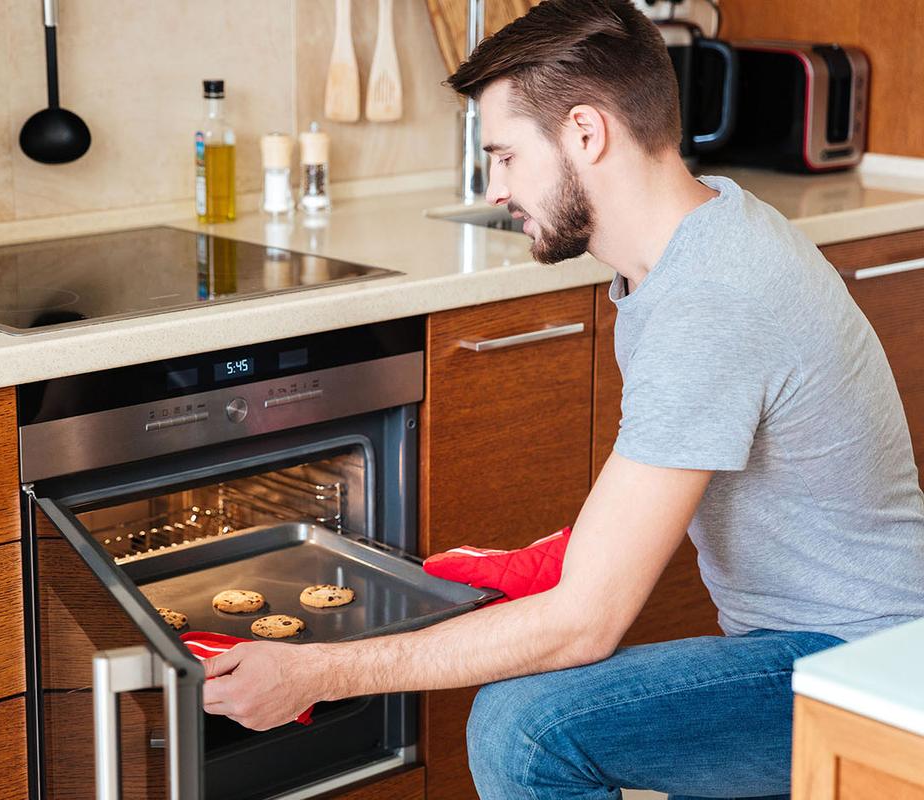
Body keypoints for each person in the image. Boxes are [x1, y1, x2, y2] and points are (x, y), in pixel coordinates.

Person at [201, 1, 924, 796]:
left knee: (525, 728)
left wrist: (316, 675)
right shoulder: (683, 248)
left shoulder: (713, 299)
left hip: (862, 670)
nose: (496, 187)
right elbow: (670, 477)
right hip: (823, 640)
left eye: (506, 155)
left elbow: (588, 622)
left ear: (586, 132)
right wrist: (533, 566)